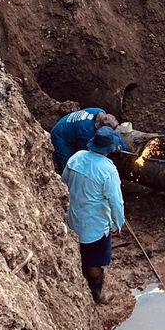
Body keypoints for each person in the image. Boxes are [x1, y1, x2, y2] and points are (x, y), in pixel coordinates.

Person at [61, 126, 127, 303]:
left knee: (81, 252)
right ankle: (97, 295)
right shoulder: (108, 170)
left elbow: (63, 182)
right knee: (94, 262)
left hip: (72, 219)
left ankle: (82, 275)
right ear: (110, 148)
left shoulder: (76, 157)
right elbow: (116, 201)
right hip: (94, 227)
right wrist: (117, 223)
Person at [50, 106, 119, 170]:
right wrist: (108, 148)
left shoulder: (99, 111)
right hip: (60, 137)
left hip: (67, 126)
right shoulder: (87, 131)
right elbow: (84, 153)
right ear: (101, 127)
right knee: (69, 164)